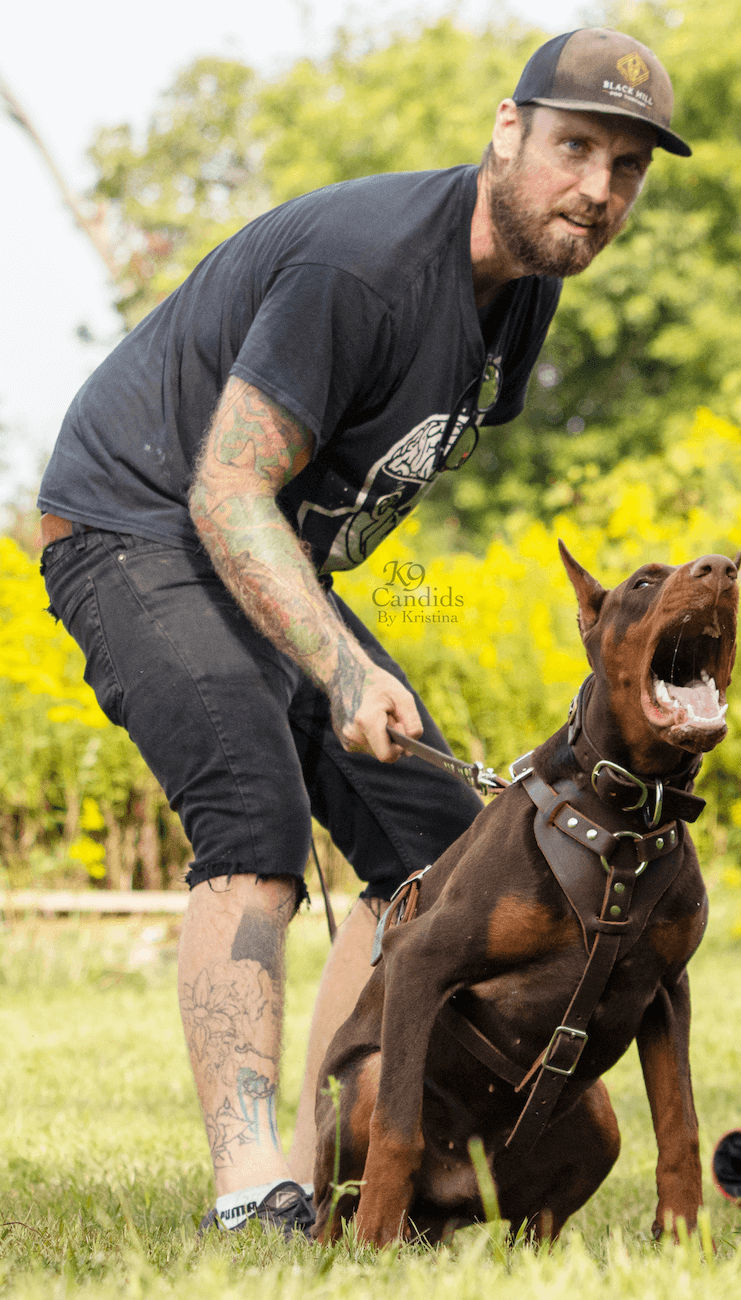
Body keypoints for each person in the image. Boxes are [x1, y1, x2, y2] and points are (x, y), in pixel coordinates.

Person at [37, 27, 691, 1239]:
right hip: (133, 521)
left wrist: (344, 657)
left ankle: (323, 1171)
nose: (598, 190)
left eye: (627, 169)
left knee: (440, 859)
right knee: (257, 815)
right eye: (575, 148)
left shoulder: (523, 301)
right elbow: (226, 491)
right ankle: (250, 1191)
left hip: (259, 544)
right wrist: (337, 665)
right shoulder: (367, 267)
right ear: (507, 131)